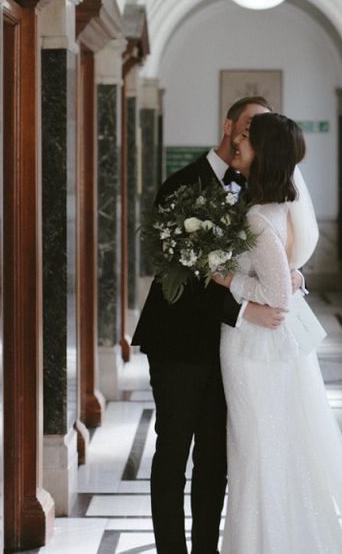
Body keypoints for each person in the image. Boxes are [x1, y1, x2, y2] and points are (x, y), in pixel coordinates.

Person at [212, 113, 342, 554]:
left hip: (254, 350)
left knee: (255, 452)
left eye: (246, 137)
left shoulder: (258, 217)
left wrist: (225, 279)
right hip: (266, 350)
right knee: (269, 450)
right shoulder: (274, 208)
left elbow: (276, 293)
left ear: (265, 152)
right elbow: (288, 277)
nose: (237, 141)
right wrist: (289, 279)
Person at [132, 96, 301, 554]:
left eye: (260, 131)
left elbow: (266, 257)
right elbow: (183, 275)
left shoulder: (255, 187)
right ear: (229, 126)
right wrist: (244, 311)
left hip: (233, 351)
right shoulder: (181, 185)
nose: (251, 138)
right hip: (179, 344)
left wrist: (290, 276)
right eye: (248, 127)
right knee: (173, 455)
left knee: (216, 459)